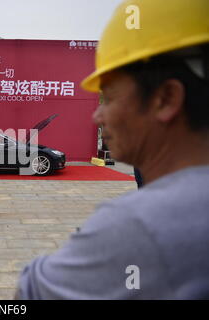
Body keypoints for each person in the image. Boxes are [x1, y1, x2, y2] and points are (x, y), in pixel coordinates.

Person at [17, 0, 209, 299]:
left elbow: (31, 293)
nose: (98, 115)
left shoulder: (139, 225)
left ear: (166, 98)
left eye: (110, 96)